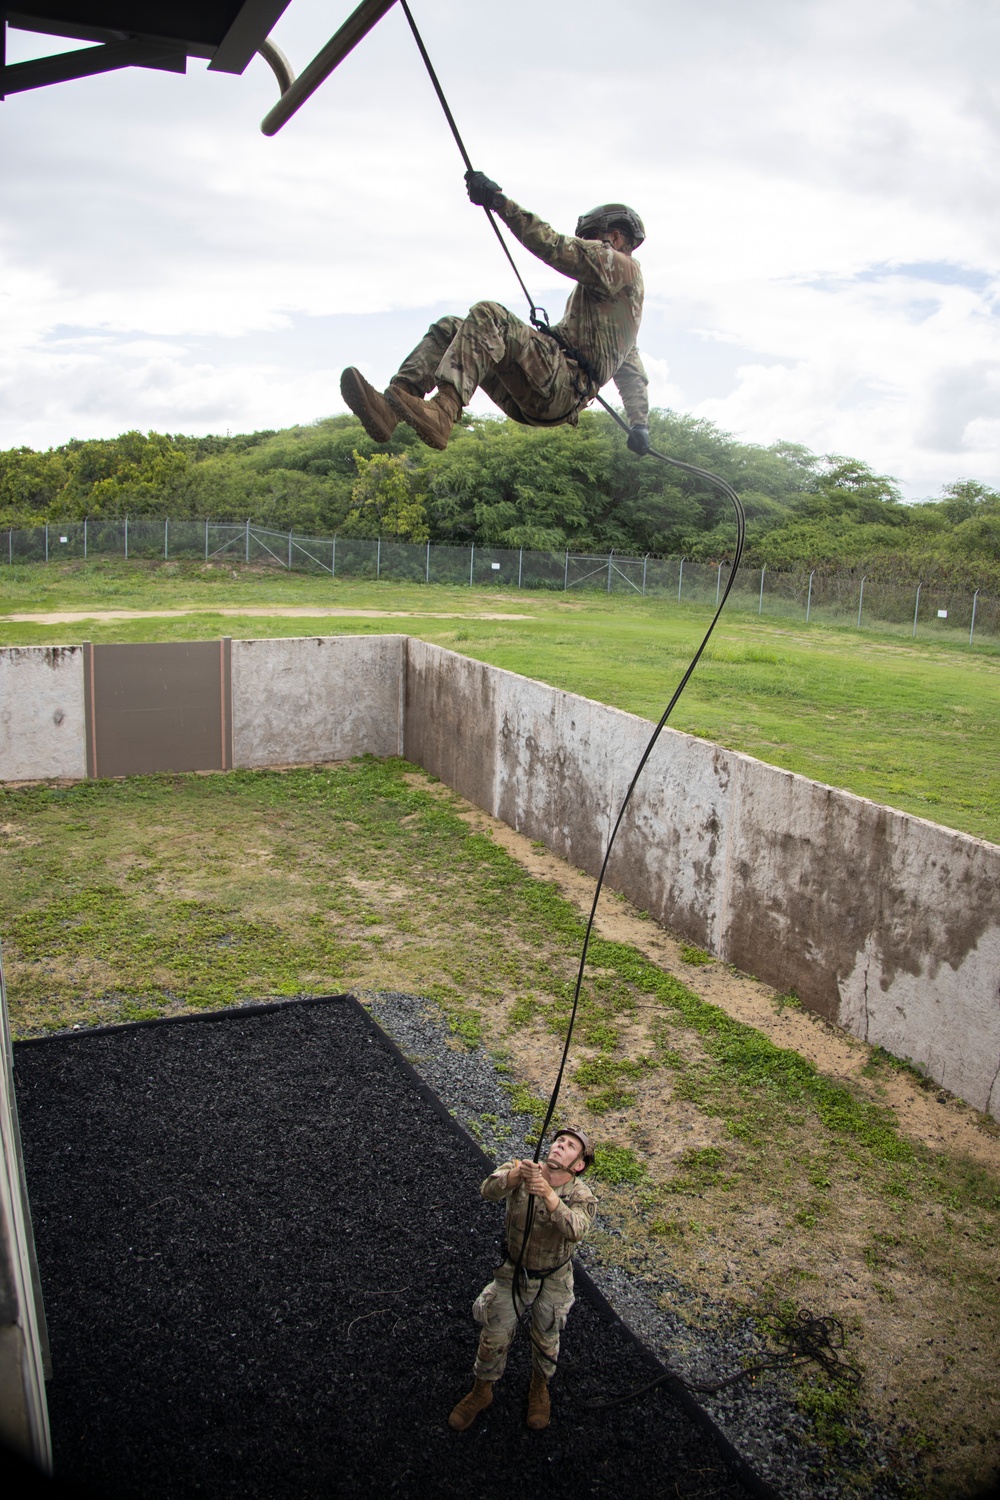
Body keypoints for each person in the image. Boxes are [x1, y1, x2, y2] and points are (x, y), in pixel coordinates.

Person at [340, 172, 650, 457]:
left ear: (616, 238)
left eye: (593, 237)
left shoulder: (622, 266)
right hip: (542, 395)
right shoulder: (621, 315)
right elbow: (632, 370)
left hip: (561, 386)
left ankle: (443, 411)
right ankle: (391, 408)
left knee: (491, 316)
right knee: (453, 329)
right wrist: (639, 426)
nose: (589, 245)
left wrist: (500, 202)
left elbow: (554, 246)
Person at [447, 1125, 597, 1434]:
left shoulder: (581, 1195)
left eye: (570, 1146)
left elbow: (577, 1230)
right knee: (494, 1334)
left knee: (547, 1338)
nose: (559, 1146)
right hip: (514, 1271)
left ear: (579, 1164)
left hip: (554, 1277)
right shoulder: (521, 1169)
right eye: (559, 1141)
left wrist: (547, 1195)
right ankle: (481, 1391)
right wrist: (515, 1177)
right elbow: (487, 1190)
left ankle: (539, 1389)